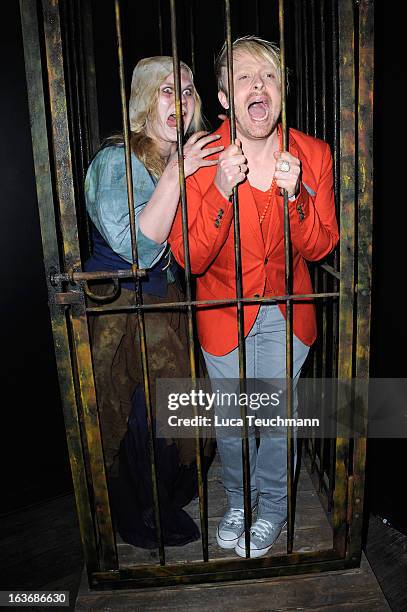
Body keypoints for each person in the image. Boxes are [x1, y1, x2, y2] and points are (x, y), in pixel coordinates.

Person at [169, 36, 339, 558]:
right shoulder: (199, 159)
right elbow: (189, 259)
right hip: (222, 313)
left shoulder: (312, 154)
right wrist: (220, 188)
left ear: (283, 89)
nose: (258, 86)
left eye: (268, 76)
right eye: (244, 77)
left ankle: (271, 510)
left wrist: (296, 201)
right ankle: (239, 501)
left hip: (289, 312)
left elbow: (323, 244)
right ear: (224, 97)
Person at [84, 56, 221, 547]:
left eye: (187, 91)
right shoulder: (114, 160)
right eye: (168, 90)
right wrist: (176, 176)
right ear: (144, 98)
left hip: (164, 308)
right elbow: (137, 247)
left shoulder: (175, 156)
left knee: (173, 410)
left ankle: (162, 498)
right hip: (122, 312)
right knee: (134, 415)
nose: (180, 101)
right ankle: (135, 512)